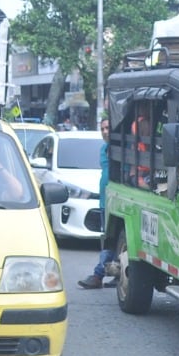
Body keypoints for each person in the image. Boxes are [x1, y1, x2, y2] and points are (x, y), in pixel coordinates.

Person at [79, 113, 118, 289]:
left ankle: (98, 275)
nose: (104, 132)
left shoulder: (119, 149)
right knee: (110, 239)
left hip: (116, 200)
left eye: (108, 128)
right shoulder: (104, 149)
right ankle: (116, 272)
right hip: (104, 202)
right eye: (102, 129)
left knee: (110, 240)